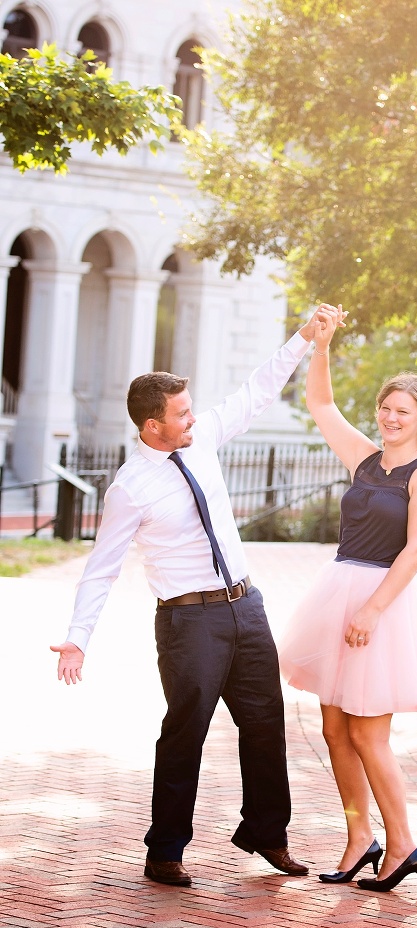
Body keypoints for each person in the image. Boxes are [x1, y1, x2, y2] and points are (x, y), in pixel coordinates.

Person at [51, 304, 343, 888]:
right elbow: (101, 570)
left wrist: (304, 338)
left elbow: (255, 391)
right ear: (151, 426)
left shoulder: (202, 437)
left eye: (190, 409)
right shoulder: (131, 488)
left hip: (246, 606)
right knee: (186, 732)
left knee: (266, 722)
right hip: (189, 623)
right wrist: (77, 639)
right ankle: (164, 851)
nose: (192, 418)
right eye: (180, 413)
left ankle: (267, 834)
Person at [279, 308, 417, 892]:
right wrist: (321, 346)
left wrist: (371, 610)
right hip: (338, 593)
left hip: (384, 606)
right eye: (386, 408)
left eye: (403, 412)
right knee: (334, 731)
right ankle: (358, 836)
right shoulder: (365, 459)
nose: (391, 418)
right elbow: (321, 405)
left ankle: (403, 843)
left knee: (368, 734)